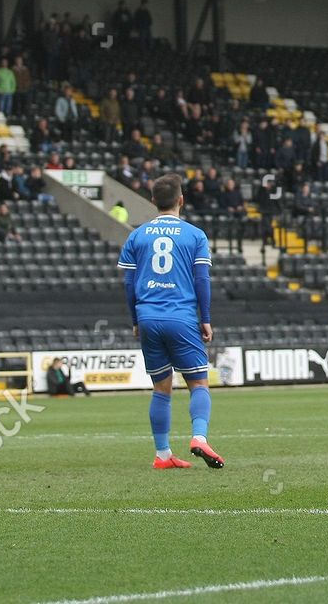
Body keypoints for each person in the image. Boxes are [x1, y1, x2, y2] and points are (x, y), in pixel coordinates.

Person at [120, 174, 223, 470]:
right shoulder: (195, 235)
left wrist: (136, 319)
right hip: (181, 317)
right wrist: (205, 319)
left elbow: (128, 283)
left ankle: (163, 454)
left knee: (161, 389)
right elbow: (202, 279)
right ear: (181, 200)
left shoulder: (136, 235)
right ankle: (199, 437)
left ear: (153, 201)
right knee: (198, 383)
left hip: (148, 317)